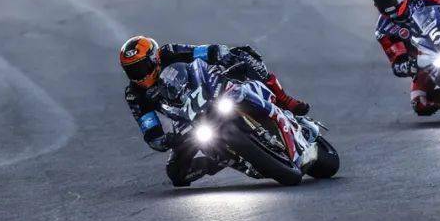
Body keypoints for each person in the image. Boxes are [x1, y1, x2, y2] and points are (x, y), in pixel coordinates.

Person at [120, 36, 309, 185]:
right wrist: (164, 140)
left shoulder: (169, 52)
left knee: (244, 54)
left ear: (154, 58)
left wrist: (220, 53)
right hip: (186, 119)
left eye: (141, 67)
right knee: (176, 175)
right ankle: (220, 160)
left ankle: (285, 100)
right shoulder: (134, 95)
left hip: (211, 89)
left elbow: (203, 51)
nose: (138, 74)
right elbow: (149, 128)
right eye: (132, 70)